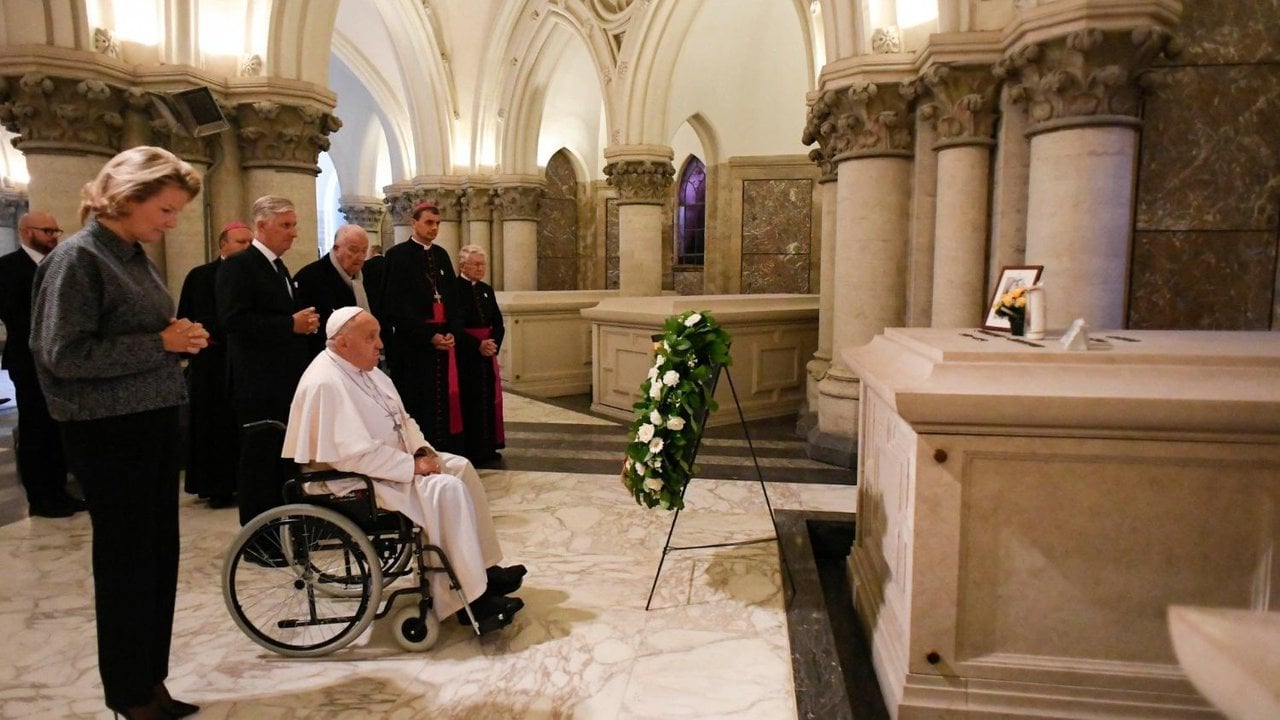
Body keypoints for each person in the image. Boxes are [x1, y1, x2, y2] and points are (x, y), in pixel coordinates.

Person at [30, 145, 209, 720]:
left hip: (149, 420)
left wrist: (178, 338)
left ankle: (149, 680)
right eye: (165, 210)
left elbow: (138, 334)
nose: (171, 223)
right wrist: (160, 344)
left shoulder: (130, 255)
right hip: (108, 433)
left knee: (158, 559)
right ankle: (129, 695)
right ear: (128, 199)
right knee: (127, 564)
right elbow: (62, 355)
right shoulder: (79, 258)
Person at [282, 307, 526, 633]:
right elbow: (349, 456)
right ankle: (471, 601)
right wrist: (412, 466)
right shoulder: (326, 382)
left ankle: (483, 568)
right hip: (350, 480)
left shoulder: (367, 370)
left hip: (387, 465)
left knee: (460, 467)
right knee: (445, 488)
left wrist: (422, 451)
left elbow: (404, 419)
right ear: (341, 343)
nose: (380, 344)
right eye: (371, 338)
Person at [216, 195, 319, 526]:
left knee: (281, 460)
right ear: (262, 226)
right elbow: (234, 321)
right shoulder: (239, 266)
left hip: (283, 380)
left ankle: (284, 528)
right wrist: (291, 324)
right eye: (285, 225)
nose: (293, 233)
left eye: (294, 225)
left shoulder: (277, 267)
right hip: (258, 383)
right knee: (259, 463)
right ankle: (260, 537)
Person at [0, 211, 83, 518]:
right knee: (37, 429)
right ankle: (41, 497)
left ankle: (60, 490)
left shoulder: (61, 265)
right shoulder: (7, 268)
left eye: (55, 230)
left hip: (62, 360)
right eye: (46, 230)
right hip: (29, 358)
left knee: (59, 428)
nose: (53, 235)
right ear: (26, 232)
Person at [176, 220, 252, 508]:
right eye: (240, 242)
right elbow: (187, 316)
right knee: (213, 426)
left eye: (249, 242)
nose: (246, 247)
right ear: (223, 245)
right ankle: (216, 486)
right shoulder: (201, 276)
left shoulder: (252, 274)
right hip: (212, 364)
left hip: (243, 363)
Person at [379, 201, 463, 452]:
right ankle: (419, 451)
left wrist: (452, 332)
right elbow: (394, 306)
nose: (434, 228)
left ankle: (444, 448)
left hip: (443, 342)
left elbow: (453, 299)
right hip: (414, 347)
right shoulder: (397, 256)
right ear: (413, 223)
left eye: (437, 223)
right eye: (428, 222)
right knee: (419, 401)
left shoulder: (441, 255)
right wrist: (429, 336)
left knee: (443, 402)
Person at [449, 245, 505, 465]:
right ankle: (471, 450)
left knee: (488, 401)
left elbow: (498, 323)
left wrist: (493, 345)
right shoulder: (452, 289)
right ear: (463, 265)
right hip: (465, 356)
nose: (482, 268)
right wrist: (477, 345)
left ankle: (488, 447)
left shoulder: (486, 289)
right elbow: (454, 325)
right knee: (469, 402)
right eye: (477, 264)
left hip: (486, 354)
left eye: (483, 264)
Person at [293, 224, 371, 356]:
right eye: (353, 250)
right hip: (326, 357)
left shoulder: (367, 276)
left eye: (364, 251)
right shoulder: (310, 277)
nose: (360, 257)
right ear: (336, 248)